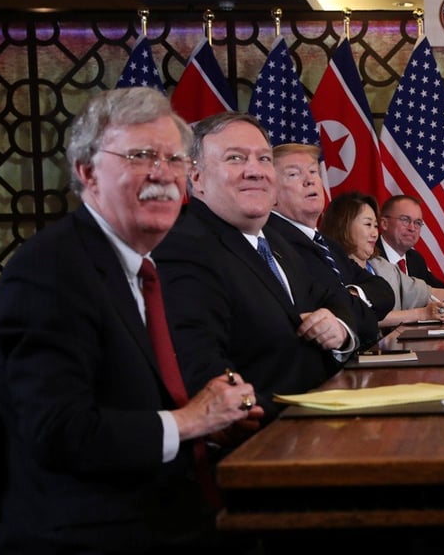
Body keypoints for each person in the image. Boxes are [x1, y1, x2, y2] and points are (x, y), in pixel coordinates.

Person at [0, 88, 263, 555]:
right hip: (95, 547)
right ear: (87, 171)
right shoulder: (52, 269)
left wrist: (214, 421)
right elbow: (59, 432)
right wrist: (187, 421)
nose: (162, 174)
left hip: (167, 518)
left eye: (174, 159)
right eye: (140, 156)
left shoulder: (141, 267)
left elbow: (131, 399)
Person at [154, 112, 362, 420]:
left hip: (325, 418)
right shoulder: (184, 246)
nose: (255, 171)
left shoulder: (276, 242)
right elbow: (208, 379)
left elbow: (335, 299)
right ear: (196, 177)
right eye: (235, 158)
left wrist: (340, 331)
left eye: (264, 159)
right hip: (268, 436)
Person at [266, 142, 394, 348]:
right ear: (270, 194)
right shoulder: (274, 242)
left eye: (313, 171)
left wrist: (352, 295)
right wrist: (362, 311)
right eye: (293, 174)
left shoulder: (328, 244)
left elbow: (384, 292)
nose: (310, 181)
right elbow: (329, 305)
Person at [323, 193, 444, 327]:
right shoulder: (330, 269)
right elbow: (361, 316)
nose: (375, 233)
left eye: (375, 226)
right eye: (368, 225)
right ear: (344, 226)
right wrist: (422, 314)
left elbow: (427, 292)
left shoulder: (381, 266)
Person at [377, 194, 444, 289]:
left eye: (418, 223)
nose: (412, 228)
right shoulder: (368, 256)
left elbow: (438, 290)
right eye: (405, 220)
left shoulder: (415, 259)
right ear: (384, 223)